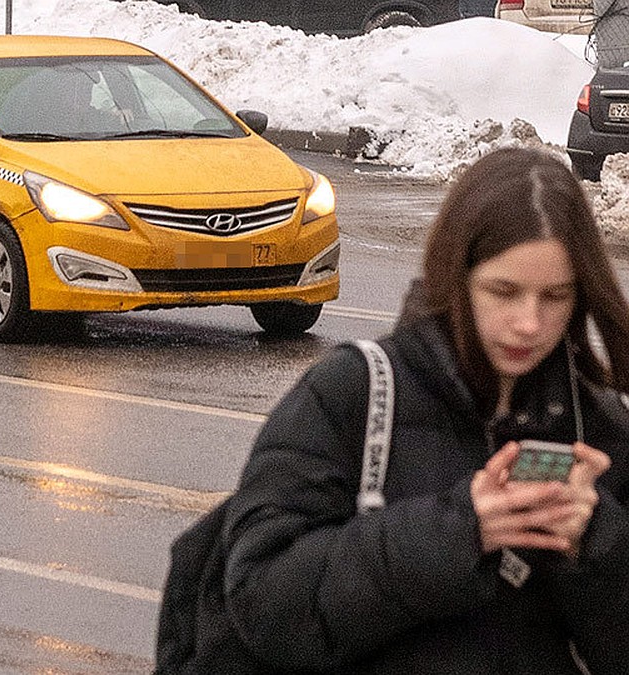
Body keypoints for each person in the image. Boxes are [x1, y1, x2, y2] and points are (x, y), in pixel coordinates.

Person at [220, 147, 629, 673]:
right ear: (457, 279)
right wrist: (460, 530)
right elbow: (264, 601)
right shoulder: (356, 392)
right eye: (503, 291)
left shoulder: (597, 428)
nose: (529, 323)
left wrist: (597, 542)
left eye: (555, 296)